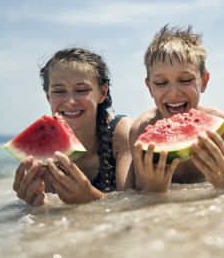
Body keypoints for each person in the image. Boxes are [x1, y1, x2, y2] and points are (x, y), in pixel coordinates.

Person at [12, 47, 133, 206]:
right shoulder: (47, 151)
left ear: (102, 93)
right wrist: (36, 204)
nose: (70, 102)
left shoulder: (121, 132)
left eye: (82, 90)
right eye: (59, 91)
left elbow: (132, 204)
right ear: (48, 98)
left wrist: (89, 195)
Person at [129, 26, 224, 193]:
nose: (174, 93)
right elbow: (139, 195)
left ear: (204, 81)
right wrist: (154, 189)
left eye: (186, 80)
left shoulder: (223, 124)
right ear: (149, 87)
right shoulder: (140, 131)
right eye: (160, 83)